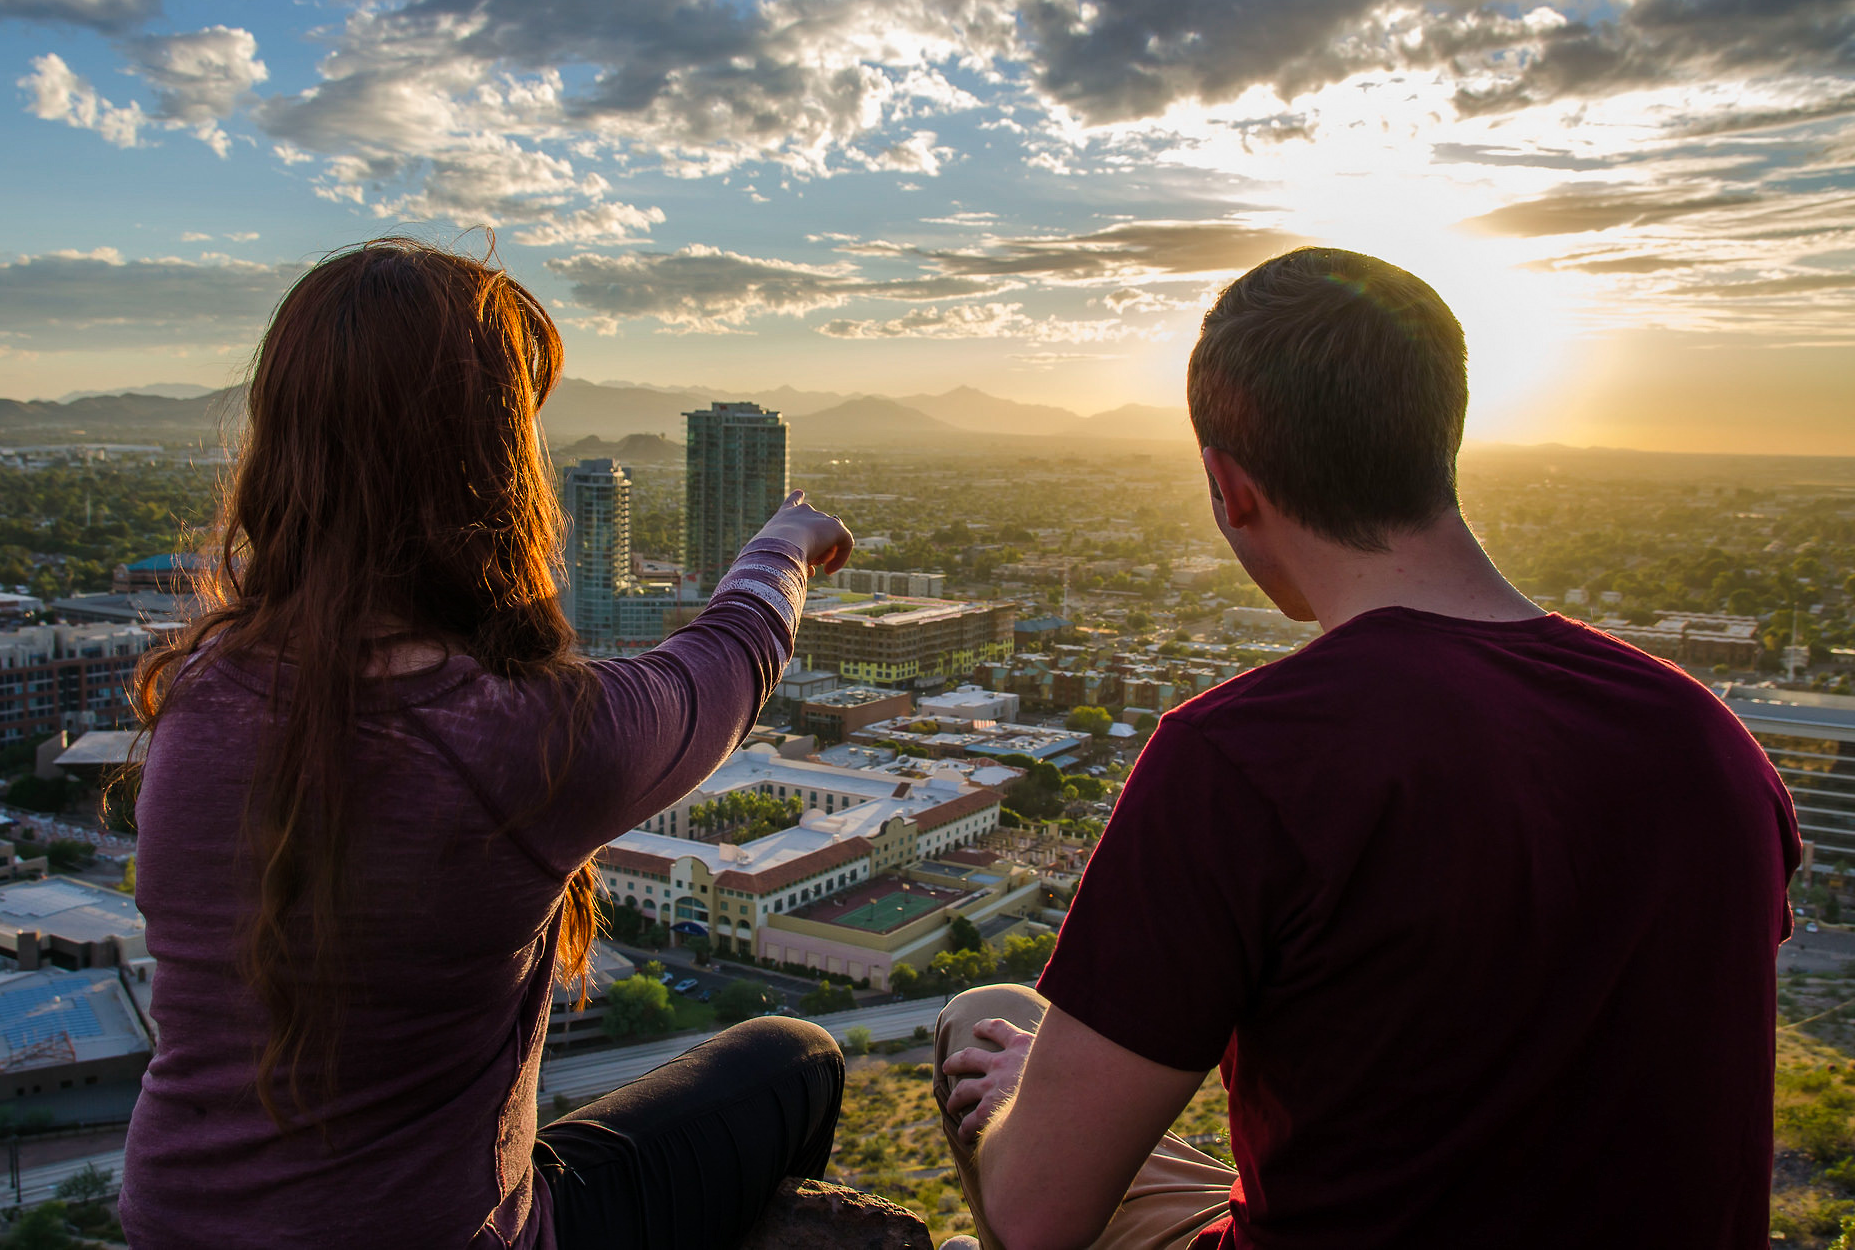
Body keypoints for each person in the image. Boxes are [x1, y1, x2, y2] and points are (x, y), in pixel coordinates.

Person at [933, 247, 1796, 1249]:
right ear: (1440, 445)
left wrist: (1015, 1105)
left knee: (984, 1023)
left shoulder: (1245, 759)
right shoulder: (1704, 736)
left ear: (1227, 485)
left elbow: (1041, 1219)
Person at [117, 239, 855, 1250]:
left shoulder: (200, 694)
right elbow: (725, 666)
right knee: (796, 1061)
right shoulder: (518, 740)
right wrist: (785, 546)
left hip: (174, 1229)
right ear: (491, 464)